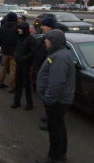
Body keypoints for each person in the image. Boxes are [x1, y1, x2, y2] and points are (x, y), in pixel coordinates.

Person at [35, 29, 75, 163]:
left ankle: (54, 157)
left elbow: (56, 82)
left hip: (57, 100)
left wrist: (49, 99)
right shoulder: (58, 54)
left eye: (47, 40)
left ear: (54, 42)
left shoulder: (59, 57)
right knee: (59, 127)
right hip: (58, 99)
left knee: (55, 129)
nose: (45, 42)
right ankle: (61, 154)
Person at [11, 21, 38, 111]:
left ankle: (29, 103)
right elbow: (17, 49)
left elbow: (34, 52)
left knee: (27, 85)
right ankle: (16, 100)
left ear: (24, 29)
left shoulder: (31, 39)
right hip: (19, 64)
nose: (18, 30)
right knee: (18, 83)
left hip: (27, 65)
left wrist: (24, 58)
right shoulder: (19, 38)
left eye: (20, 28)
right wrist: (16, 55)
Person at [34, 17, 55, 131]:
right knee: (45, 97)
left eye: (43, 25)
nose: (41, 27)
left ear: (49, 26)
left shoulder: (52, 38)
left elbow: (49, 55)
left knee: (49, 96)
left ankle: (50, 121)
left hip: (48, 71)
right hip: (42, 68)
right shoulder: (45, 36)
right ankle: (48, 116)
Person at [0, 12, 18, 93]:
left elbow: (0, 39)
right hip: (14, 52)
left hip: (5, 51)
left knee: (3, 67)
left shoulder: (2, 27)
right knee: (12, 69)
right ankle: (11, 86)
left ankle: (0, 82)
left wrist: (3, 48)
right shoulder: (16, 28)